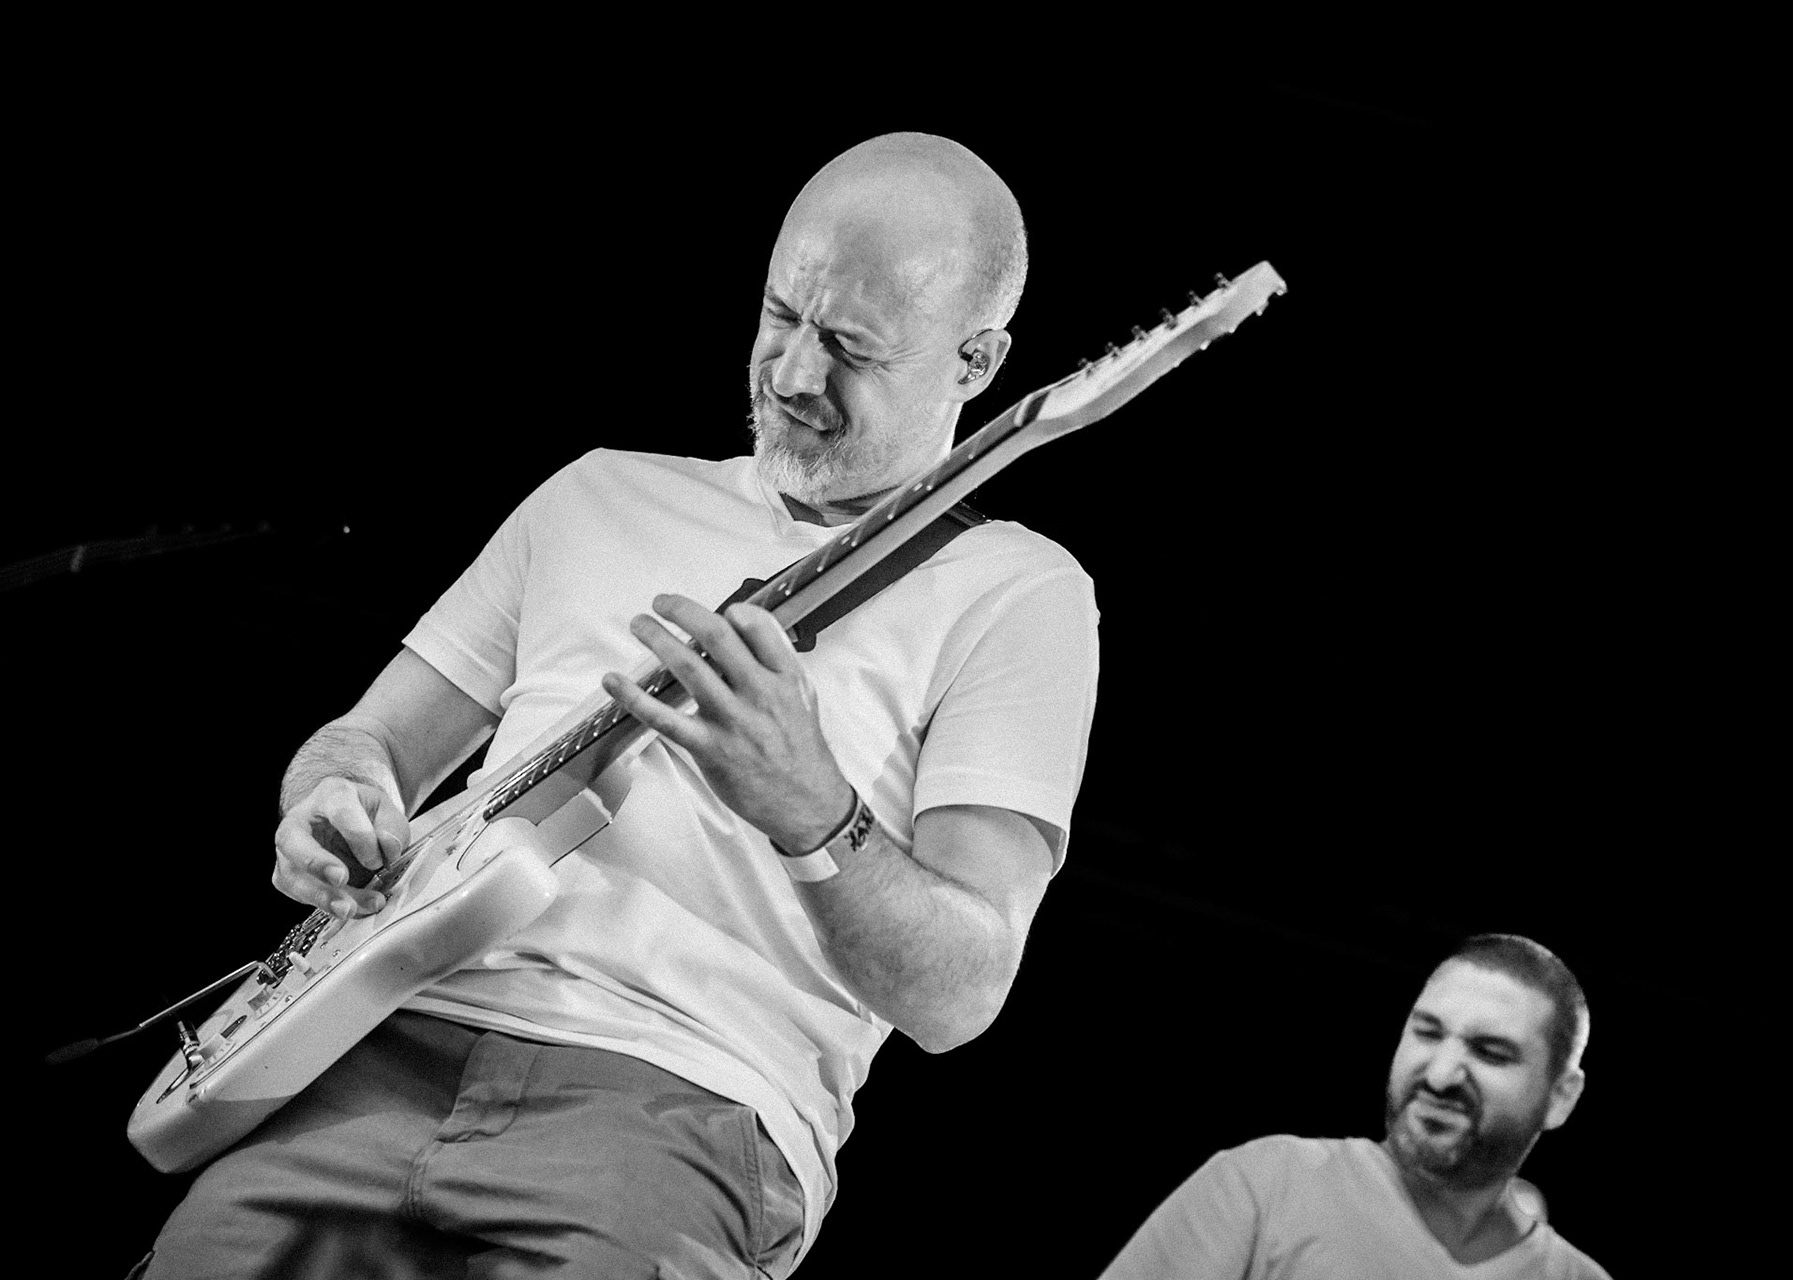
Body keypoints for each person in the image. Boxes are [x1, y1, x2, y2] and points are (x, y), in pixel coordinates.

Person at [137, 132, 1099, 1279]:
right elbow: (370, 740)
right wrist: (334, 802)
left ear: (977, 363)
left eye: (850, 346)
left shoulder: (1020, 591)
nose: (793, 373)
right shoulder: (596, 491)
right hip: (370, 1042)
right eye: (781, 313)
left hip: (683, 1104)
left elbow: (962, 992)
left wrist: (813, 809)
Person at [1097, 934, 1612, 1279]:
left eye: (1489, 1052)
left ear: (1560, 1097)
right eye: (1427, 1033)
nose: (1439, 1075)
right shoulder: (1264, 1183)